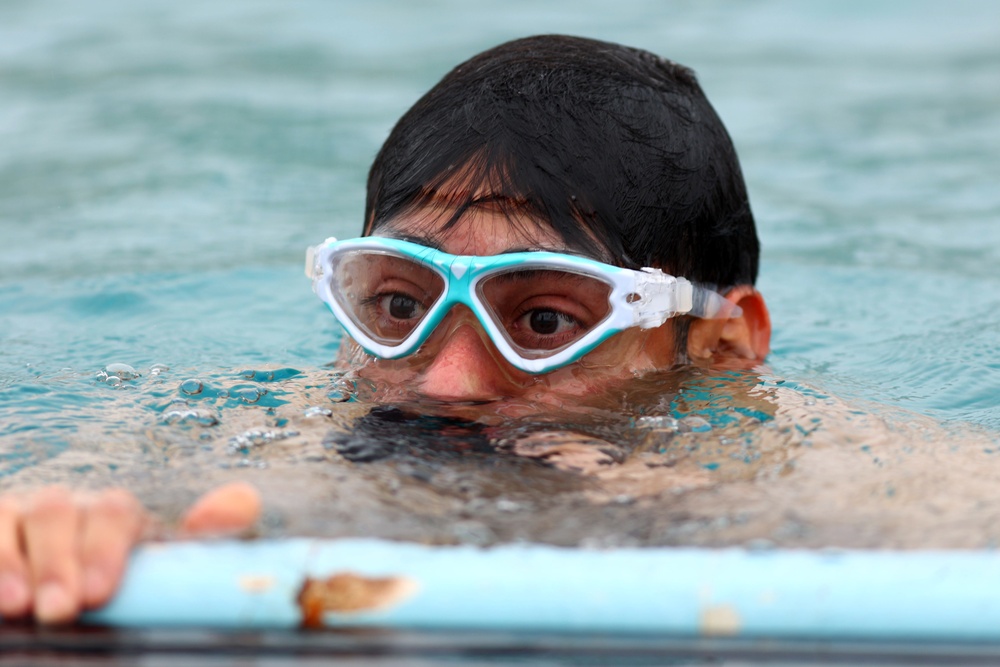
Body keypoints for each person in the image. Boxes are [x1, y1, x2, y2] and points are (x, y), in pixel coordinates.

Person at [0, 34, 769, 624]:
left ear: (722, 346)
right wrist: (56, 533)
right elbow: (64, 489)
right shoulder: (225, 440)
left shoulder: (814, 477)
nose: (447, 382)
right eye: (402, 305)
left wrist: (655, 516)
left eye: (542, 319)